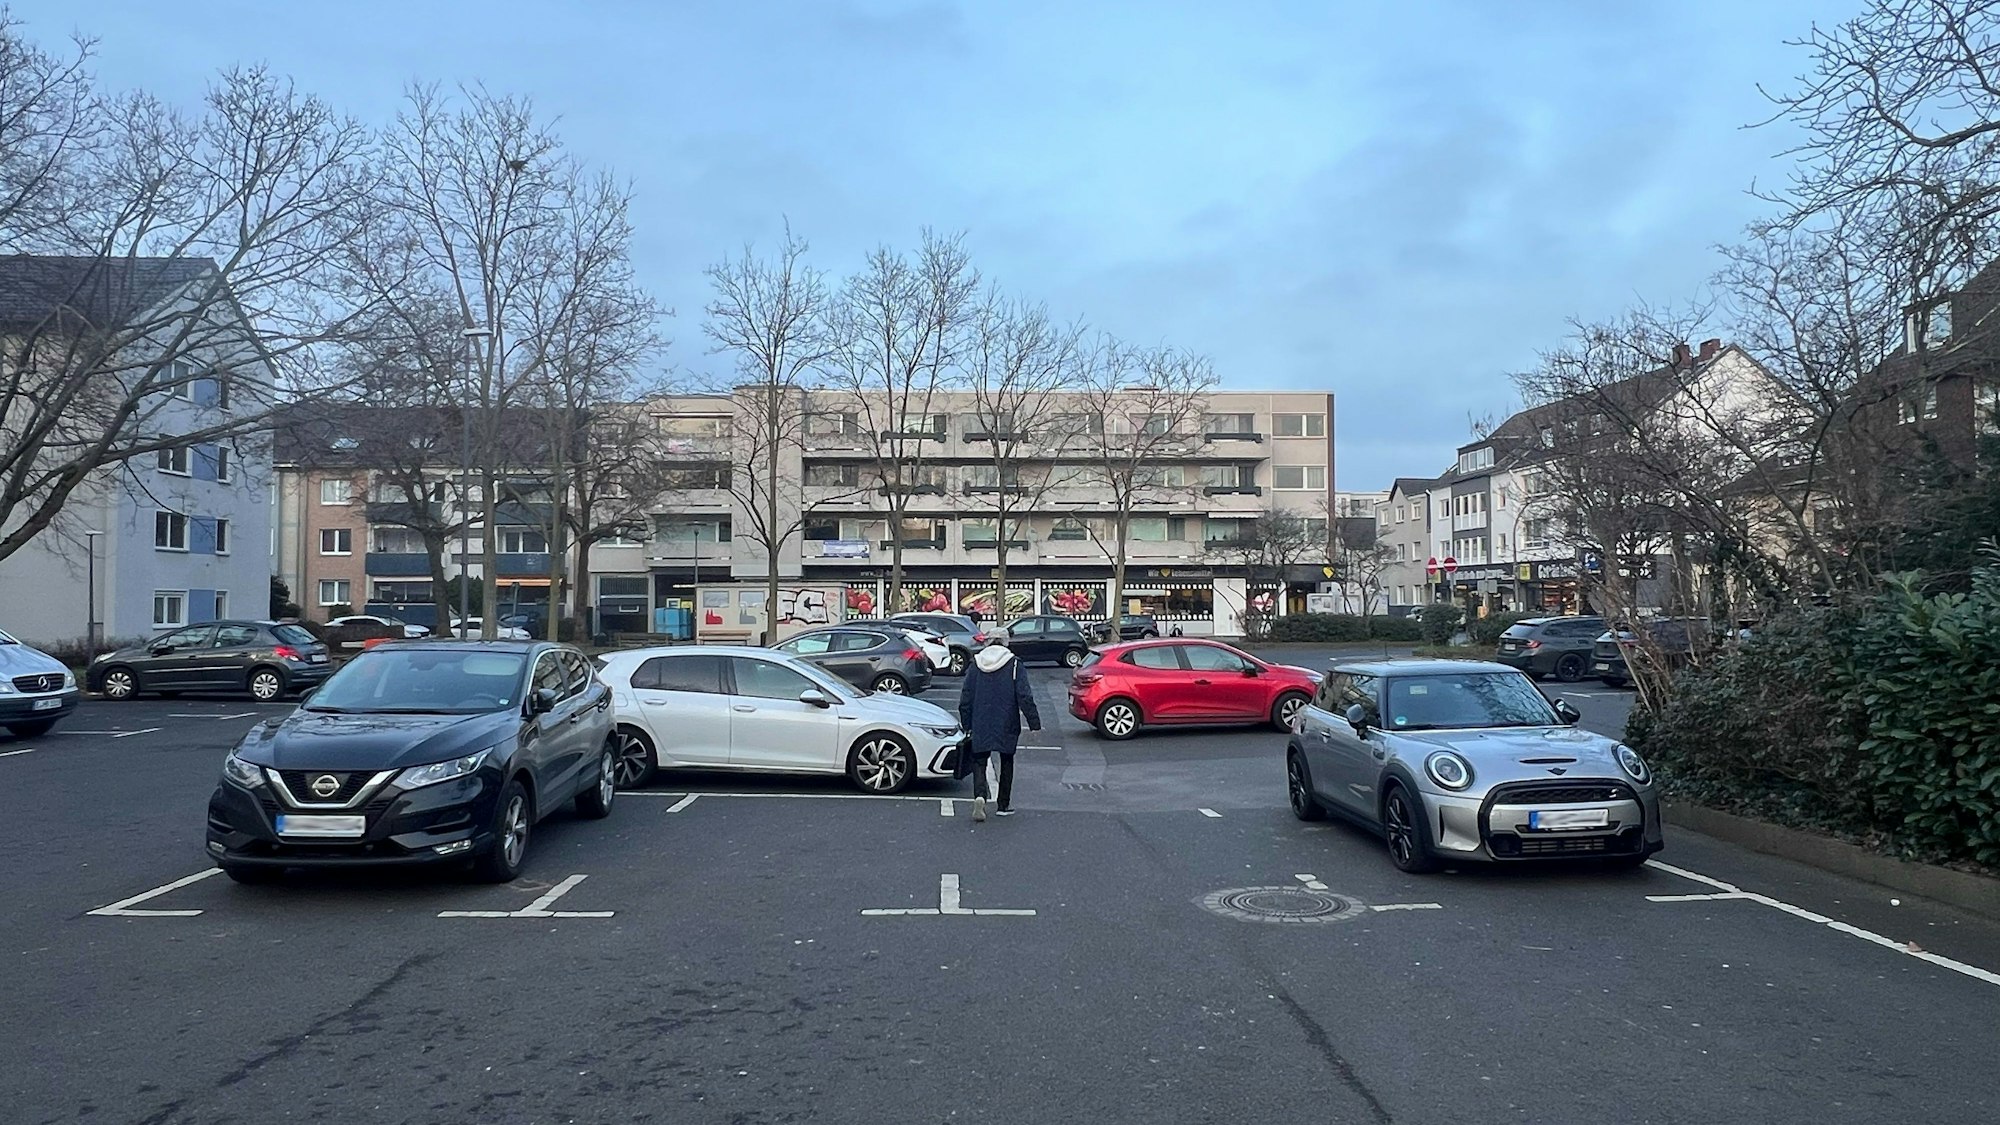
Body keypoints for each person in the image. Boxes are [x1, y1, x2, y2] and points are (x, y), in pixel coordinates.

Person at [956, 636, 1041, 822]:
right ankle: (1003, 805)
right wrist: (1034, 723)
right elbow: (1024, 695)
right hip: (1007, 719)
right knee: (1007, 761)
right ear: (1005, 643)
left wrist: (966, 723)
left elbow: (966, 697)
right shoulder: (1014, 664)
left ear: (987, 643)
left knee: (979, 760)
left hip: (980, 719)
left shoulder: (976, 664)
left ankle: (979, 796)